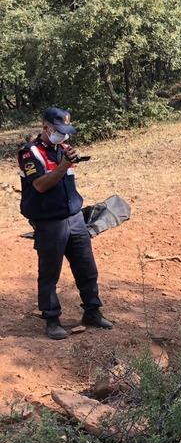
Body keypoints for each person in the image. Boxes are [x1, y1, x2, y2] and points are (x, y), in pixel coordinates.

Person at [18, 107, 113, 340]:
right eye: (58, 131)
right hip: (49, 222)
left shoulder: (62, 149)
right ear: (46, 128)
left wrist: (68, 161)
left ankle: (92, 311)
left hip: (74, 217)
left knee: (86, 267)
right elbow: (40, 185)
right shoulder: (30, 154)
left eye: (66, 131)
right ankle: (51, 319)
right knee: (50, 272)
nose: (63, 135)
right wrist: (63, 166)